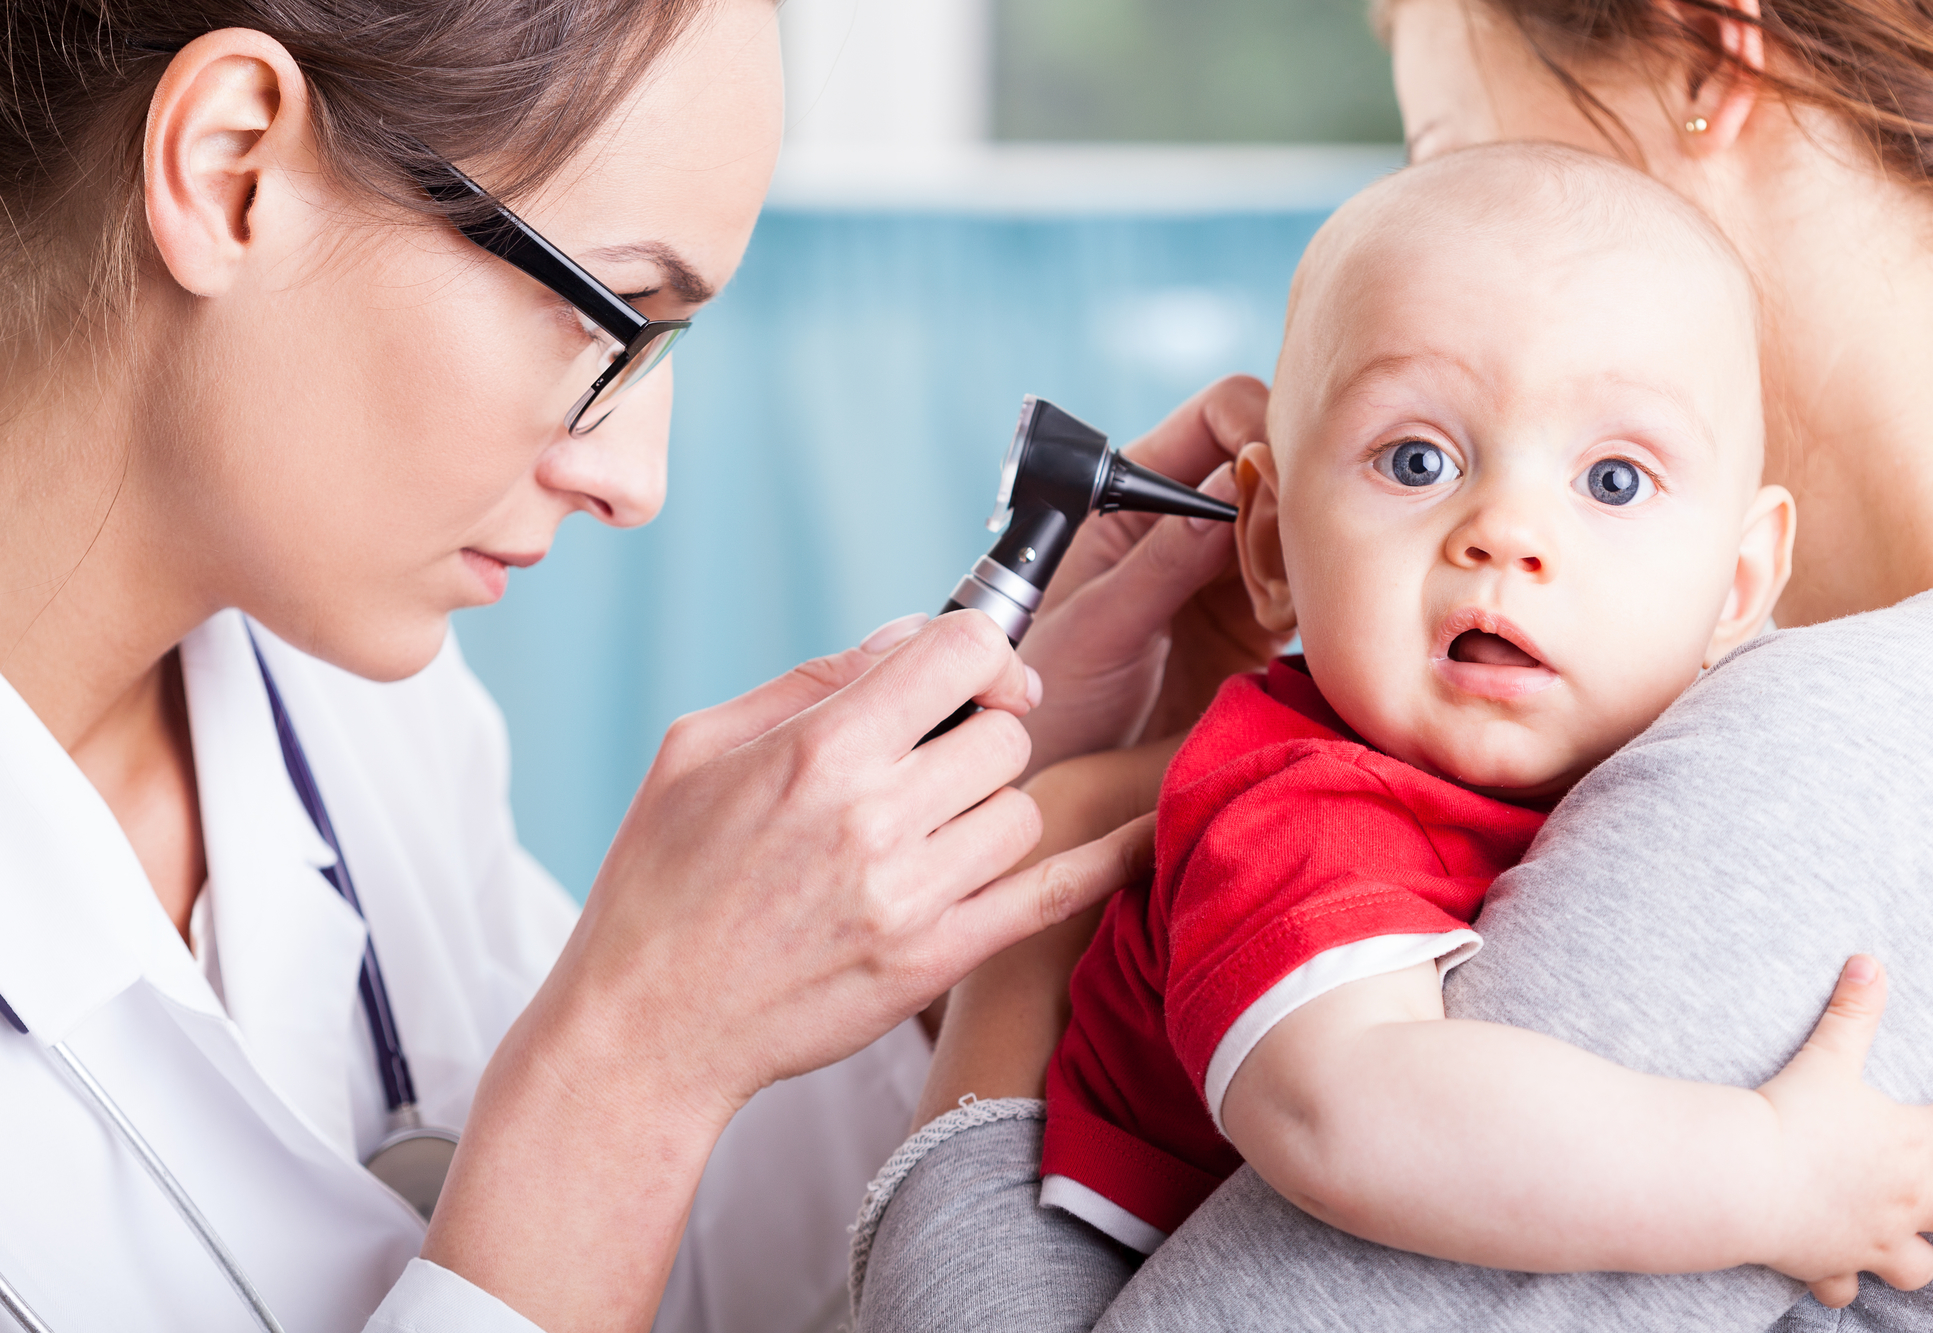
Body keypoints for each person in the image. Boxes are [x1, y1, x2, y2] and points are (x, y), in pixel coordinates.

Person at [0, 1, 1271, 1330]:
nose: (634, 480)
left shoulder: (368, 716)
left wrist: (958, 841)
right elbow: (585, 1150)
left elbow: (655, 1269)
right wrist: (631, 1064)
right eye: (615, 319)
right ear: (232, 170)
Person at [848, 0, 1933, 1326]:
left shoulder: (1821, 759)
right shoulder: (1323, 800)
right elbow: (1352, 1103)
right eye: (1417, 457)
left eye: (1443, 142)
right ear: (1272, 534)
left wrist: (1038, 917)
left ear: (1706, 54)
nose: (1505, 534)